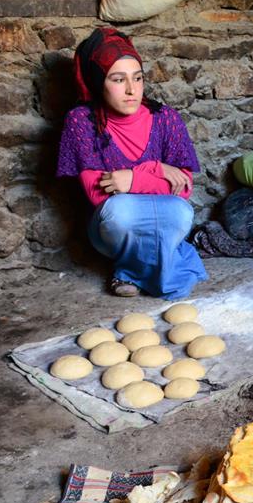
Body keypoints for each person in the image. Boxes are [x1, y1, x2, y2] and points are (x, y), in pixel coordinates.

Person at [56, 27, 207, 299]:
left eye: (138, 78)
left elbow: (183, 189)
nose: (131, 90)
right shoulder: (82, 121)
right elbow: (96, 193)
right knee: (120, 213)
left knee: (181, 212)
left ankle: (127, 272)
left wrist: (133, 178)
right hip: (110, 227)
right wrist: (159, 171)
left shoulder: (166, 118)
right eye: (118, 79)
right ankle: (140, 265)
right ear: (98, 82)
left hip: (162, 212)